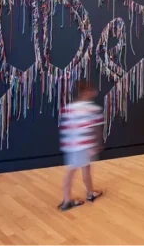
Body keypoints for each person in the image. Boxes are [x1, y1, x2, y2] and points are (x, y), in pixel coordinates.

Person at [58, 81, 103, 211]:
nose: (96, 93)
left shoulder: (69, 108)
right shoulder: (93, 109)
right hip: (84, 145)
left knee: (78, 170)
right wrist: (98, 144)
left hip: (71, 145)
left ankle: (86, 193)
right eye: (93, 90)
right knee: (78, 171)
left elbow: (65, 127)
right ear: (87, 92)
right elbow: (96, 129)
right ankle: (72, 199)